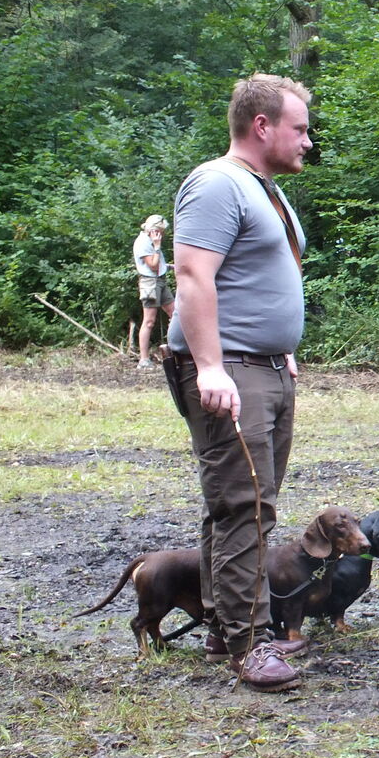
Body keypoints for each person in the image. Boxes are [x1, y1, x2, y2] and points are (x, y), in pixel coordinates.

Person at [167, 73, 314, 692]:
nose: (308, 141)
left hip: (264, 367)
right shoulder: (217, 183)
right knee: (245, 506)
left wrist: (279, 350)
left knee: (236, 502)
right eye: (300, 128)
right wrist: (210, 366)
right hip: (231, 370)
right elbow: (194, 276)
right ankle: (251, 644)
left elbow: (255, 280)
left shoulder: (264, 190)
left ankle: (219, 623)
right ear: (262, 126)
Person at [133, 215, 175, 368]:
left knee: (176, 314)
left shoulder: (151, 240)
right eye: (160, 231)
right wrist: (157, 246)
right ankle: (143, 360)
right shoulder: (143, 242)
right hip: (150, 283)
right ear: (153, 230)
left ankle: (176, 351)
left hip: (161, 281)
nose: (162, 235)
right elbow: (152, 265)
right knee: (149, 321)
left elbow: (159, 264)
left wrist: (170, 266)